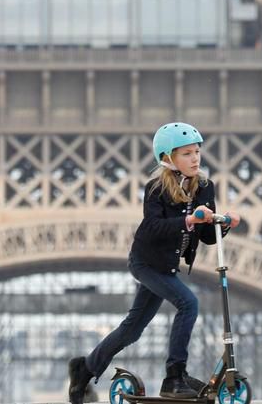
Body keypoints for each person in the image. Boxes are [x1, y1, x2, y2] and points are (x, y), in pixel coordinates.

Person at [67, 122, 241, 404]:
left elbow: (207, 236)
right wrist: (188, 220)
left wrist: (225, 224)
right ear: (168, 157)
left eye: (197, 152)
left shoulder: (205, 187)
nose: (195, 158)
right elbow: (150, 228)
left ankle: (84, 368)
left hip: (167, 266)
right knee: (189, 303)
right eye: (186, 154)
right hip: (145, 263)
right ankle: (175, 376)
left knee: (132, 329)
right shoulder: (156, 189)